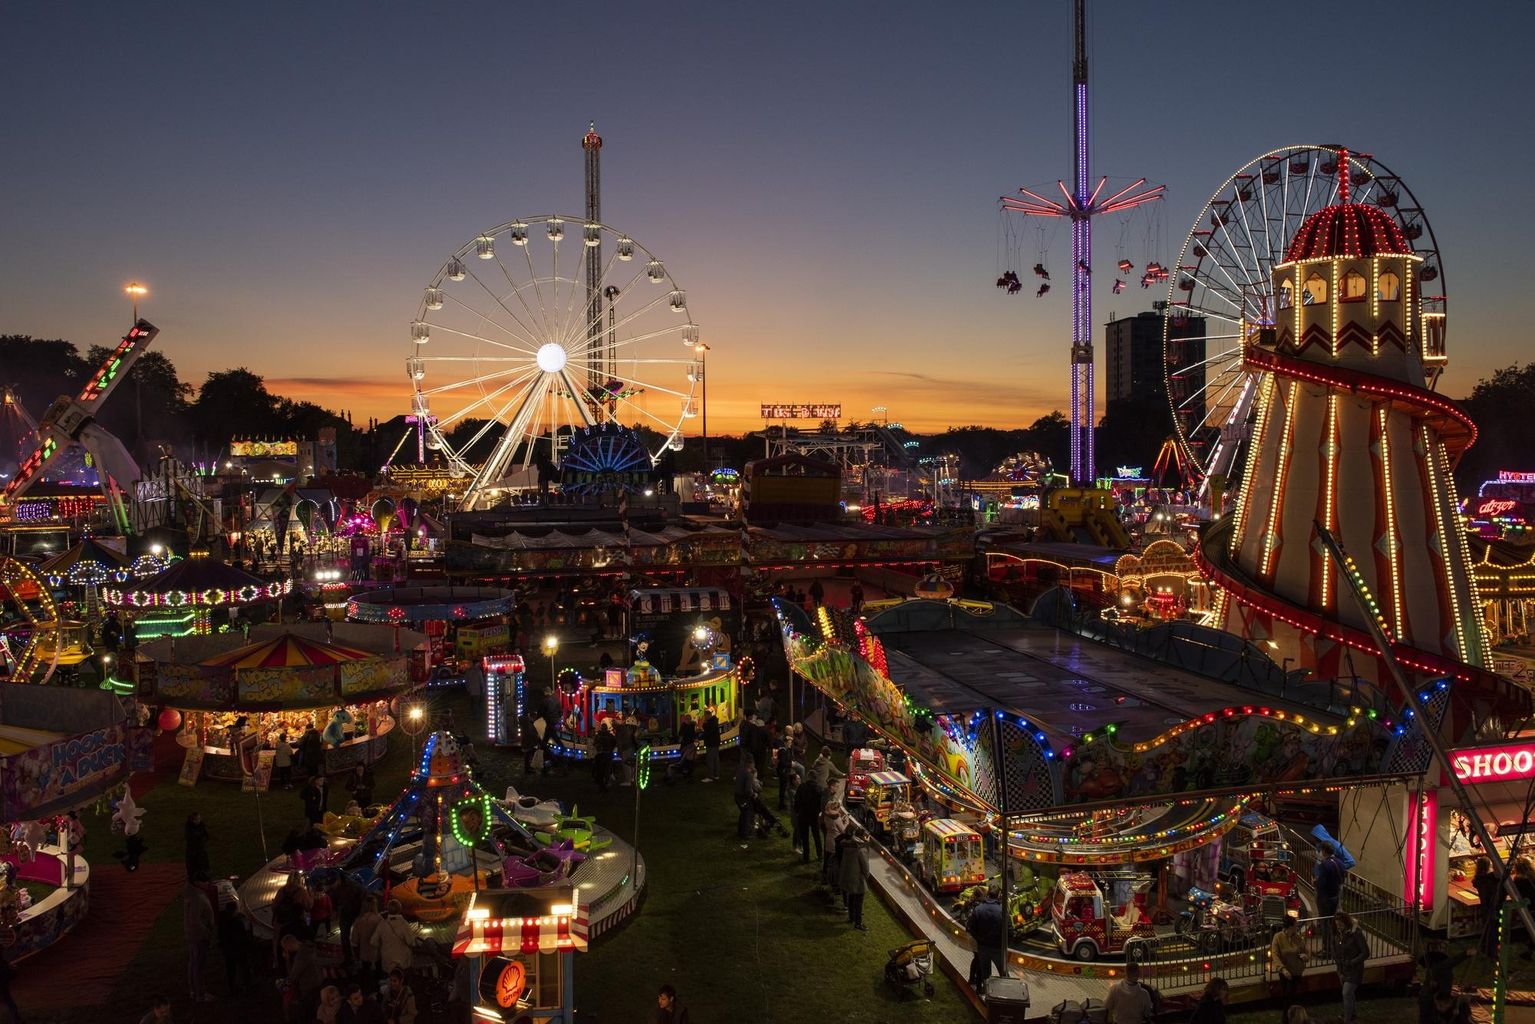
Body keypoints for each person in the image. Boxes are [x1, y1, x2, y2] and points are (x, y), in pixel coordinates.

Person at [966, 888, 1007, 990]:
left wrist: (980, 939)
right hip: (996, 946)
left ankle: (982, 989)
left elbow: (971, 927)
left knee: (984, 970)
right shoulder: (1001, 909)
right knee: (1003, 972)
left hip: (982, 944)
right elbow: (1009, 930)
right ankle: (1007, 992)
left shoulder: (978, 908)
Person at [183, 877, 215, 1002]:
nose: (208, 883)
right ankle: (200, 994)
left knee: (193, 964)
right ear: (197, 882)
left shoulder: (192, 894)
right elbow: (195, 921)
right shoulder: (197, 898)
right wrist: (207, 933)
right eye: (205, 880)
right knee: (198, 965)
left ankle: (194, 990)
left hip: (193, 935)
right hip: (199, 937)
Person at [1334, 911, 1368, 1024]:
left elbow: (1366, 952)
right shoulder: (1339, 934)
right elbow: (1338, 953)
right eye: (1337, 925)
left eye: (1340, 925)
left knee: (1347, 992)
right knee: (1349, 994)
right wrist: (1339, 970)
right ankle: (1351, 1013)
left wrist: (1352, 962)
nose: (1338, 927)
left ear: (1345, 923)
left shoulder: (1356, 934)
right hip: (1344, 969)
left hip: (1355, 969)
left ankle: (1347, 1020)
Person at [280, 934, 323, 1024]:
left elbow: (293, 976)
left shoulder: (301, 956)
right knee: (312, 1010)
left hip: (308, 986)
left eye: (285, 948)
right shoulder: (309, 947)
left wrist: (287, 960)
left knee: (303, 1013)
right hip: (318, 982)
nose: (286, 950)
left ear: (289, 945)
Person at [1270, 914, 1308, 1006]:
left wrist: (1305, 957)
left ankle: (1287, 1016)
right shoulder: (1278, 937)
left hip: (1296, 971)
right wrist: (1283, 969)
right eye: (1295, 925)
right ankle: (1292, 1014)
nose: (1297, 927)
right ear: (1290, 927)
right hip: (1284, 971)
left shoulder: (1298, 938)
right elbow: (1275, 955)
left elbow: (1305, 951)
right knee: (1287, 994)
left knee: (1289, 995)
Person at [217, 899, 252, 994]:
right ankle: (246, 985)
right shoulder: (237, 923)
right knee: (243, 967)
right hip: (238, 949)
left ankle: (232, 986)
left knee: (230, 969)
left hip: (227, 950)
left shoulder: (222, 922)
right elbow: (243, 936)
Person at [1314, 846, 1346, 949]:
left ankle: (1326, 948)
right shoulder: (1340, 862)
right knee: (1333, 921)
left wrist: (1315, 882)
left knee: (1325, 923)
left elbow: (1322, 883)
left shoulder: (1325, 864)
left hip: (1325, 898)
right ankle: (1334, 946)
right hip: (1335, 896)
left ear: (1324, 851)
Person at [331, 871, 367, 964]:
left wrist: (362, 912)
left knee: (348, 935)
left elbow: (364, 896)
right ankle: (351, 957)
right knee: (345, 935)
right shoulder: (343, 886)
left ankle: (353, 957)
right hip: (348, 912)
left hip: (351, 912)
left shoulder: (352, 887)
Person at [837, 830, 870, 930]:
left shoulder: (847, 845)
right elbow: (865, 866)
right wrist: (866, 875)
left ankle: (851, 917)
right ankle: (858, 923)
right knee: (859, 901)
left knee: (851, 897)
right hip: (857, 877)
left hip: (848, 875)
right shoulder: (861, 849)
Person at [372, 900, 415, 975]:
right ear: (399, 909)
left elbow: (373, 942)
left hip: (387, 962)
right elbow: (411, 941)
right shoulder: (404, 924)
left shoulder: (382, 924)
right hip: (403, 961)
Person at [1472, 856, 1504, 957]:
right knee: (1494, 930)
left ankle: (1485, 948)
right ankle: (1492, 951)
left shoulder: (1478, 879)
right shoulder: (1490, 879)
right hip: (1493, 907)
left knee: (1487, 929)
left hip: (1485, 907)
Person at [351, 896, 383, 988]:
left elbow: (354, 941)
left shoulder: (359, 921)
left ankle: (366, 990)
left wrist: (356, 955)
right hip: (377, 953)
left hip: (364, 953)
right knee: (378, 975)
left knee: (366, 975)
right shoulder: (379, 919)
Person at [793, 774, 822, 864]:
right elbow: (820, 802)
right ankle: (820, 855)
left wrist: (797, 811)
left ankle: (806, 857)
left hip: (803, 815)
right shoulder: (818, 788)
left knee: (805, 837)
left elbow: (796, 800)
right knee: (816, 836)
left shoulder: (802, 787)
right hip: (814, 816)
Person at [733, 759, 756, 845]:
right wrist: (753, 794)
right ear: (751, 765)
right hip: (743, 798)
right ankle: (744, 834)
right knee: (746, 815)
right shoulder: (748, 775)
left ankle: (740, 831)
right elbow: (748, 790)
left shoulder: (740, 771)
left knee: (742, 814)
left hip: (737, 796)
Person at [184, 811, 211, 880]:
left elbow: (206, 835)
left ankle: (204, 874)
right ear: (192, 820)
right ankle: (193, 876)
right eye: (196, 819)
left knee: (203, 861)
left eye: (199, 819)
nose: (198, 821)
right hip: (192, 849)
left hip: (200, 848)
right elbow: (192, 837)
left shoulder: (202, 825)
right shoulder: (189, 827)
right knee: (193, 862)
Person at [592, 720, 618, 792]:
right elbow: (615, 743)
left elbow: (594, 743)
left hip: (600, 754)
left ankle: (600, 783)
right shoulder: (611, 736)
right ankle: (606, 782)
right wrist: (611, 749)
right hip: (608, 754)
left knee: (600, 769)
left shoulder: (598, 735)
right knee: (607, 769)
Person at [0, 947, 21, 1024]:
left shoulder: (3, 963)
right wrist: (15, 970)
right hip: (3, 989)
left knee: (10, 1005)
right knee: (11, 1006)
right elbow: (9, 975)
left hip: (3, 988)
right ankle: (16, 1021)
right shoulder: (3, 963)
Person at [701, 710, 722, 782]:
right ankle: (716, 775)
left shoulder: (710, 722)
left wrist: (704, 724)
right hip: (715, 743)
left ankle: (710, 776)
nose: (705, 717)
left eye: (705, 716)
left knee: (710, 759)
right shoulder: (714, 721)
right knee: (716, 759)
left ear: (708, 715)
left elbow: (707, 731)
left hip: (711, 743)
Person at [774, 736, 794, 810]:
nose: (790, 744)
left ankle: (782, 803)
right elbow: (782, 763)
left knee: (784, 787)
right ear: (785, 742)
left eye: (791, 743)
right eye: (789, 742)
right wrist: (790, 764)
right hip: (783, 771)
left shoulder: (787, 750)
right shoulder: (782, 751)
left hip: (785, 771)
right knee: (782, 788)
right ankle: (781, 804)